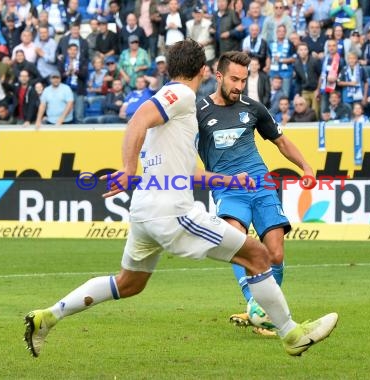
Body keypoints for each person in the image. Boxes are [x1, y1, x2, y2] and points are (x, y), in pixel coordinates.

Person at [24, 39, 338, 358]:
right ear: (204, 71)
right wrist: (129, 167)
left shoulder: (176, 120)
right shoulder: (183, 94)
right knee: (257, 255)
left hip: (145, 212)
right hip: (172, 211)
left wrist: (229, 179)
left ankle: (47, 316)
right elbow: (138, 118)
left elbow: (188, 172)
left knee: (129, 284)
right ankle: (291, 334)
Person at [196, 50, 321, 336]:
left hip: (261, 185)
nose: (239, 86)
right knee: (236, 242)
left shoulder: (253, 107)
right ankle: (256, 306)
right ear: (219, 76)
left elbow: (281, 142)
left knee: (275, 254)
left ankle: (262, 312)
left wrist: (306, 166)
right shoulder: (199, 111)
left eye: (244, 79)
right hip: (229, 187)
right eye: (234, 79)